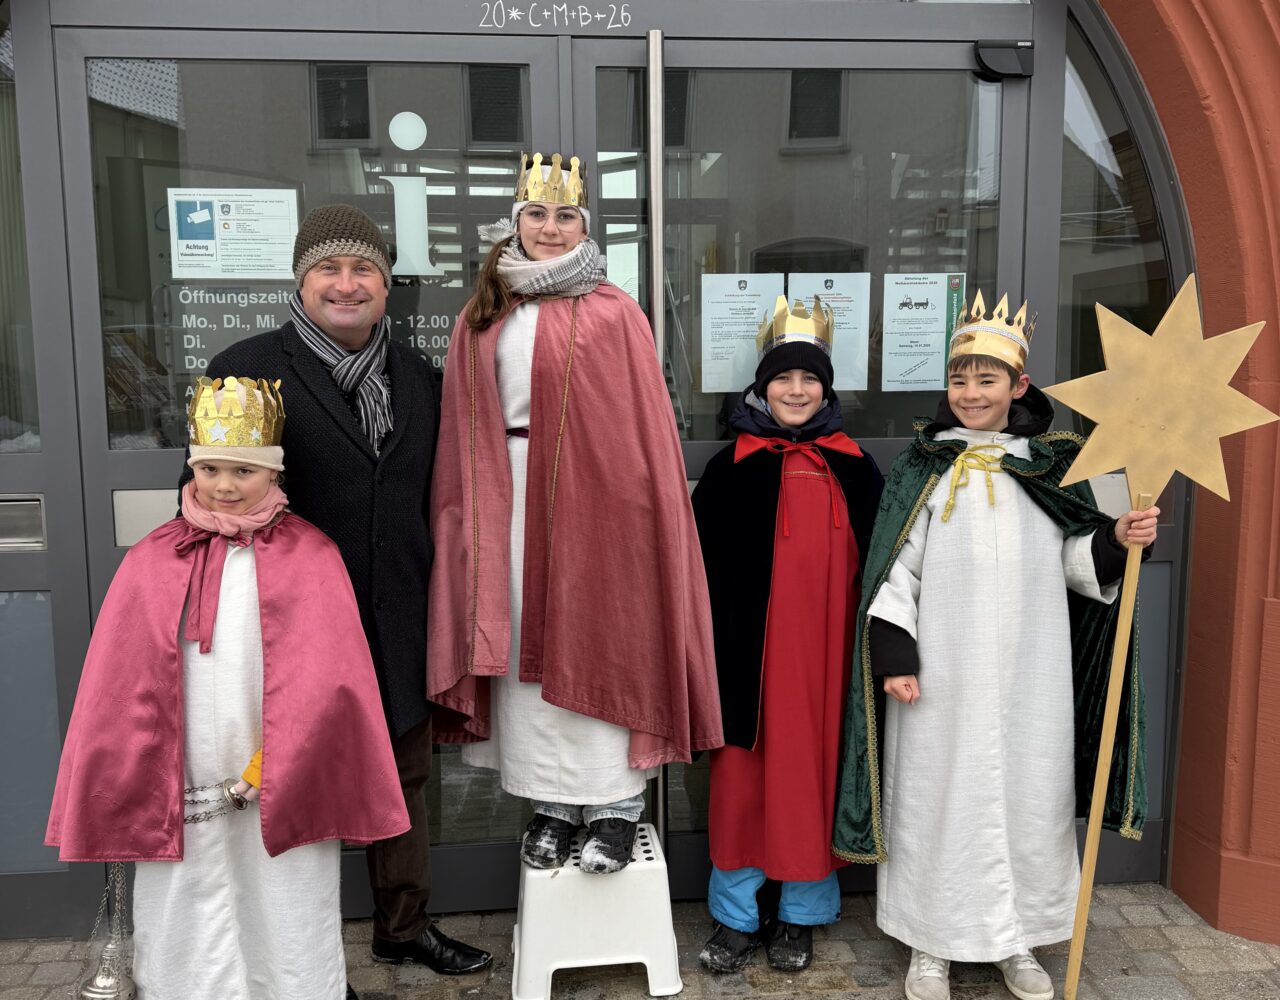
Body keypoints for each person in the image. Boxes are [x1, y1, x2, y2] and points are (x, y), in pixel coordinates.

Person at [178, 205, 491, 975]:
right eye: (330, 269)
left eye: (366, 272)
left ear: (386, 286)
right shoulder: (245, 370)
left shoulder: (417, 377)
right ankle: (303, 965)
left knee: (404, 784)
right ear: (301, 278)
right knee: (296, 792)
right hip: (290, 635)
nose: (347, 285)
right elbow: (202, 510)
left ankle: (403, 928)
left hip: (398, 622)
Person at [832, 292, 1156, 1000]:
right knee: (936, 803)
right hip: (939, 682)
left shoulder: (1058, 466)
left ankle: (1018, 942)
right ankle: (931, 946)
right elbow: (893, 573)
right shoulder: (924, 469)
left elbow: (1077, 563)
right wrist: (895, 659)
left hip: (1029, 679)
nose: (971, 393)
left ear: (1019, 386)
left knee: (1029, 805)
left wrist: (1114, 540)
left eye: (987, 379)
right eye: (960, 378)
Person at [47, 376, 410, 1000]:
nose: (223, 485)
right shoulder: (153, 557)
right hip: (181, 766)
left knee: (285, 883)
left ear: (274, 474)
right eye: (210, 468)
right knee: (183, 884)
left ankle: (295, 987)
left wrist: (278, 760)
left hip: (272, 765)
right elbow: (120, 681)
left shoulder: (312, 555)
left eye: (244, 470)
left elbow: (332, 683)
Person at [427, 152, 722, 875]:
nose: (550, 228)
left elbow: (641, 429)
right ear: (515, 223)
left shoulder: (616, 311)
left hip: (602, 510)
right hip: (510, 499)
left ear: (584, 226)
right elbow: (464, 424)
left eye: (565, 216)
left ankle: (616, 808)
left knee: (603, 638)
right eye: (537, 214)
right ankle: (552, 806)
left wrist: (638, 514)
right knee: (526, 646)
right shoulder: (483, 311)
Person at [691, 296, 882, 973]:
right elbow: (695, 573)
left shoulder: (856, 467)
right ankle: (738, 915)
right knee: (742, 786)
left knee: (814, 781)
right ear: (761, 386)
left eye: (810, 380)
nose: (796, 391)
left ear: (826, 389)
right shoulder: (729, 469)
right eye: (783, 379)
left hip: (827, 665)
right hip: (748, 663)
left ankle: (801, 913)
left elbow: (888, 567)